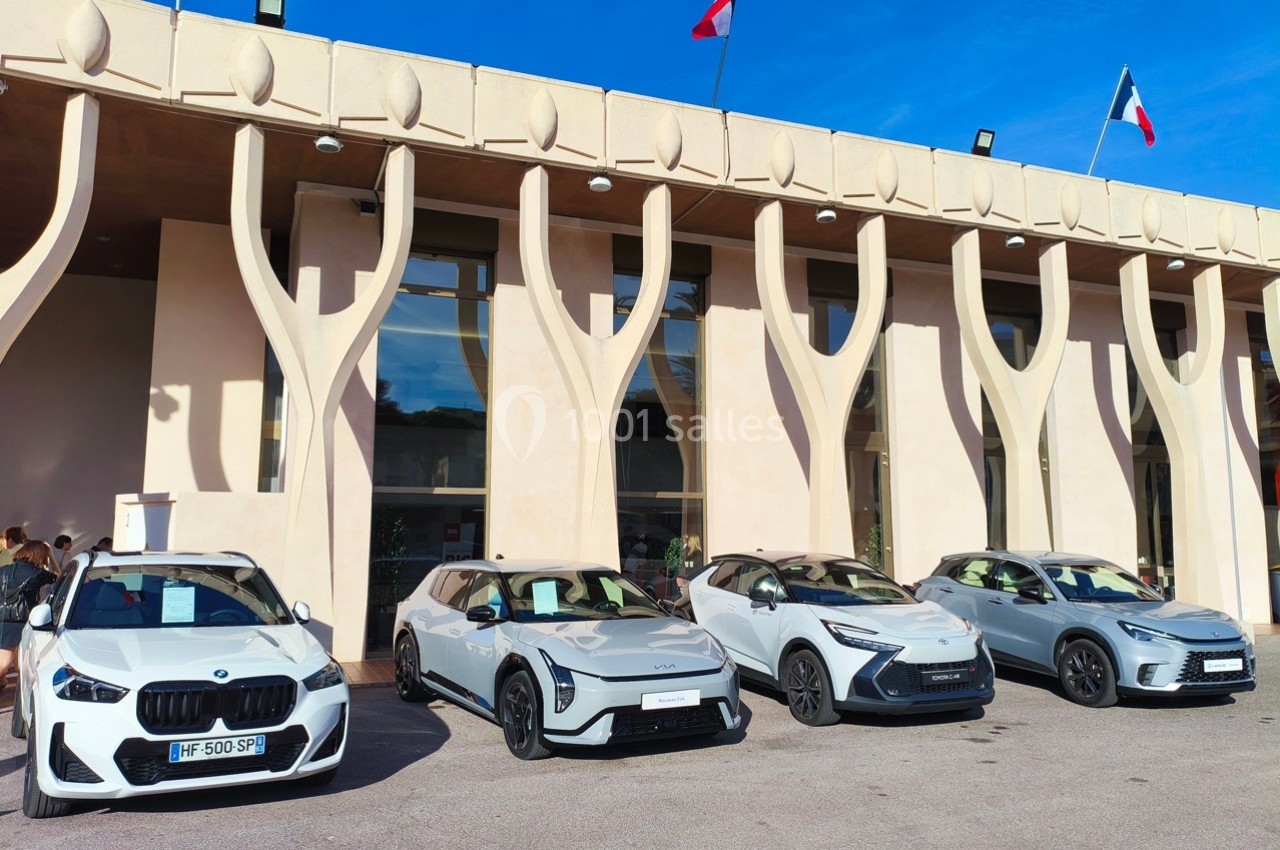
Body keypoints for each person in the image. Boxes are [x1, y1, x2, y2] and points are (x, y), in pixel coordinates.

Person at [0, 540, 57, 691]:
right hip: (22, 621)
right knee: (11, 663)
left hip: (3, 620)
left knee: (5, 663)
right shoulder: (37, 574)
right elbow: (60, 577)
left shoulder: (4, 569)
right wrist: (50, 555)